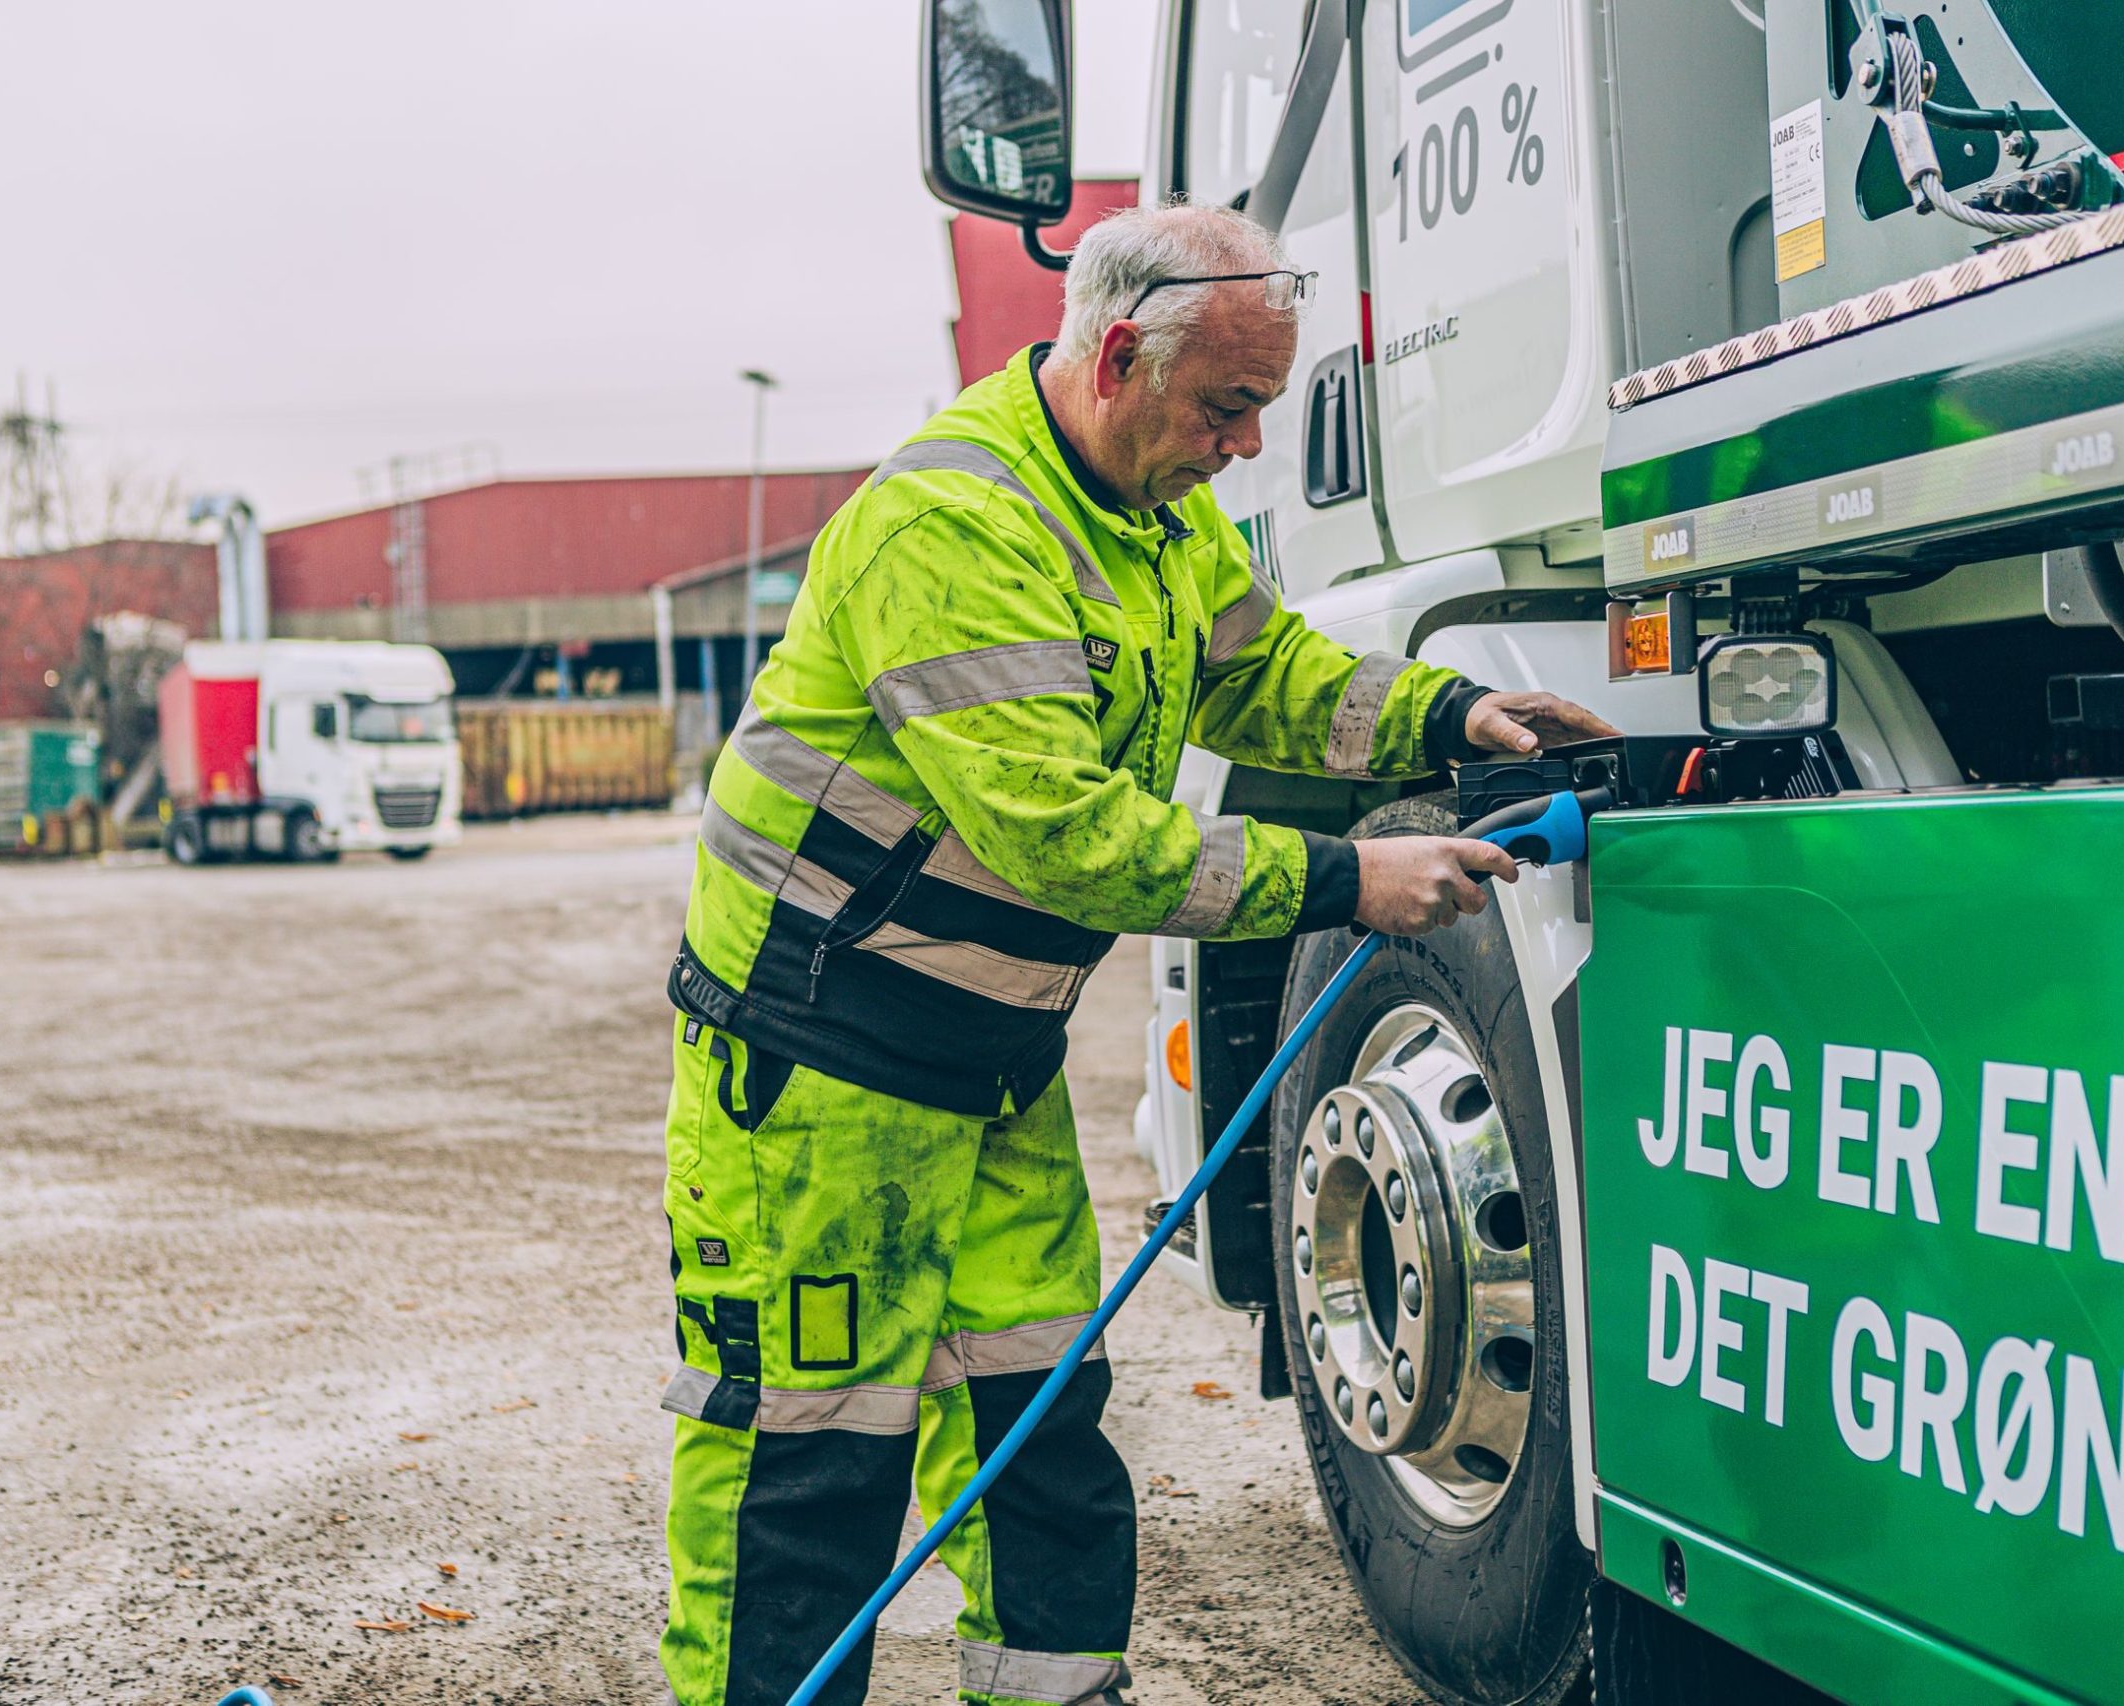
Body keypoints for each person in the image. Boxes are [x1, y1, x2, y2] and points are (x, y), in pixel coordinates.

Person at [657, 199, 1616, 1706]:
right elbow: (1065, 833)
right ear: (1117, 354)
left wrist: (1444, 713)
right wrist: (1348, 877)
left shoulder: (1154, 517)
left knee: (1039, 1433)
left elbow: (1264, 674)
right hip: (821, 1066)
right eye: (1227, 407)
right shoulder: (955, 527)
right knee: (807, 1464)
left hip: (985, 1063)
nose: (1244, 446)